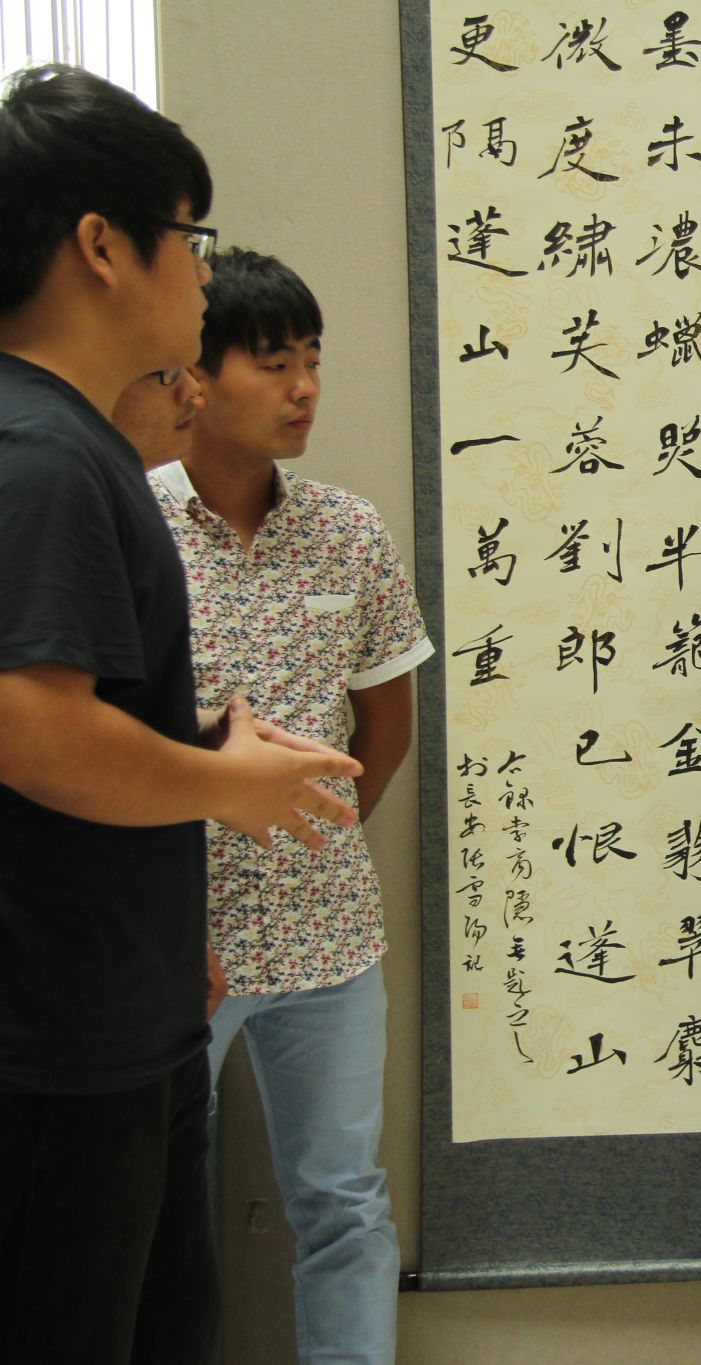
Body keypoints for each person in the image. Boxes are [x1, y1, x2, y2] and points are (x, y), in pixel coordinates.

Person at [0, 65, 363, 1365]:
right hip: (60, 1039)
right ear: (102, 246)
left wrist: (207, 755)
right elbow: (30, 731)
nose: (205, 274)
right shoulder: (42, 455)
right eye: (189, 236)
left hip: (121, 1006)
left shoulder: (76, 442)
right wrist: (225, 785)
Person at [151, 247, 432, 1365]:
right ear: (196, 374)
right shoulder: (130, 520)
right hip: (171, 936)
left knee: (345, 1198)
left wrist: (313, 837)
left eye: (313, 359)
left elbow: (386, 727)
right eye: (274, 363)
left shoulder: (349, 530)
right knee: (153, 1201)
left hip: (328, 935)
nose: (305, 387)